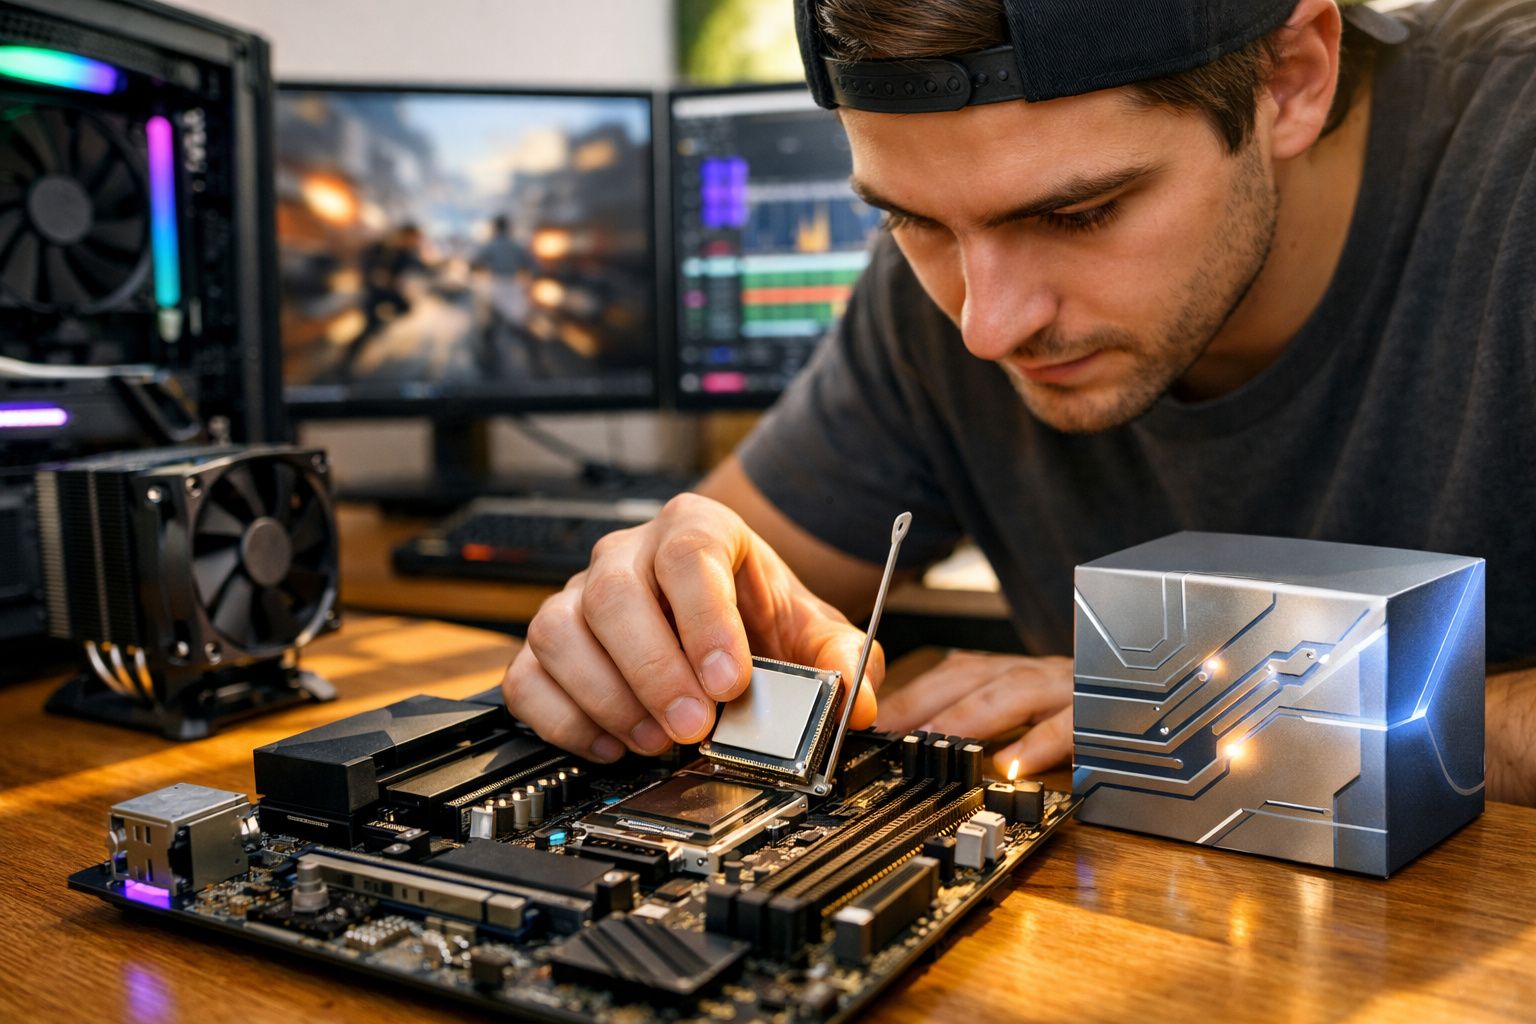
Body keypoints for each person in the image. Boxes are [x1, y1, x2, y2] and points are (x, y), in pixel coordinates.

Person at [502, 0, 1536, 804]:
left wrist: (1255, 712)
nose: (987, 327)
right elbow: (737, 564)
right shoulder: (949, 295)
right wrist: (648, 605)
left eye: (1077, 214)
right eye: (915, 220)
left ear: (1292, 80)